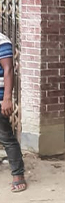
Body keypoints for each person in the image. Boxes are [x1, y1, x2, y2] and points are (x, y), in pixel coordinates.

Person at [0, 33, 25, 193]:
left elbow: (9, 69)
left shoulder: (2, 41)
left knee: (6, 136)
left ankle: (18, 175)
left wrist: (7, 99)